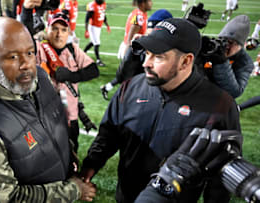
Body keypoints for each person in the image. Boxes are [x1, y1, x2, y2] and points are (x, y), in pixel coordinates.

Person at [80, 18, 241, 203]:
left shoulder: (219, 105)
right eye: (147, 53)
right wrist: (90, 166)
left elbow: (221, 178)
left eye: (158, 56)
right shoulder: (131, 88)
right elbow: (109, 134)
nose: (146, 63)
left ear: (186, 61)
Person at [0, 17, 97, 202]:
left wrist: (70, 158)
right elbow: (6, 198)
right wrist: (72, 191)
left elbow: (55, 125)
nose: (26, 64)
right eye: (13, 57)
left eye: (30, 53)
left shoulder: (41, 79)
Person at [21, 0, 99, 153]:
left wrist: (72, 75)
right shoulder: (39, 48)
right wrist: (26, 11)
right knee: (48, 155)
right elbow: (25, 37)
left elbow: (93, 70)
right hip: (45, 116)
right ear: (47, 30)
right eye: (54, 28)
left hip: (71, 115)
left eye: (63, 30)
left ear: (68, 32)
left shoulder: (72, 49)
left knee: (72, 152)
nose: (59, 34)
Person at [101, 8, 172, 100]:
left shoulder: (137, 13)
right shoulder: (139, 15)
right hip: (131, 47)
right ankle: (113, 91)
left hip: (131, 46)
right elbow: (132, 28)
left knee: (126, 76)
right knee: (127, 77)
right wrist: (129, 46)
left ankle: (107, 88)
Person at [201, 15, 253, 98]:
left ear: (241, 46)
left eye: (231, 43)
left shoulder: (244, 61)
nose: (226, 46)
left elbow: (235, 92)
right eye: (223, 40)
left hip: (218, 101)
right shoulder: (211, 48)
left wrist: (221, 63)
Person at [83, 0, 110, 67]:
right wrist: (86, 30)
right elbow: (87, 18)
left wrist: (107, 25)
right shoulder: (92, 5)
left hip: (99, 27)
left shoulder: (103, 4)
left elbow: (103, 14)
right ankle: (98, 60)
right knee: (97, 43)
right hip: (93, 27)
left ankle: (83, 53)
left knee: (92, 42)